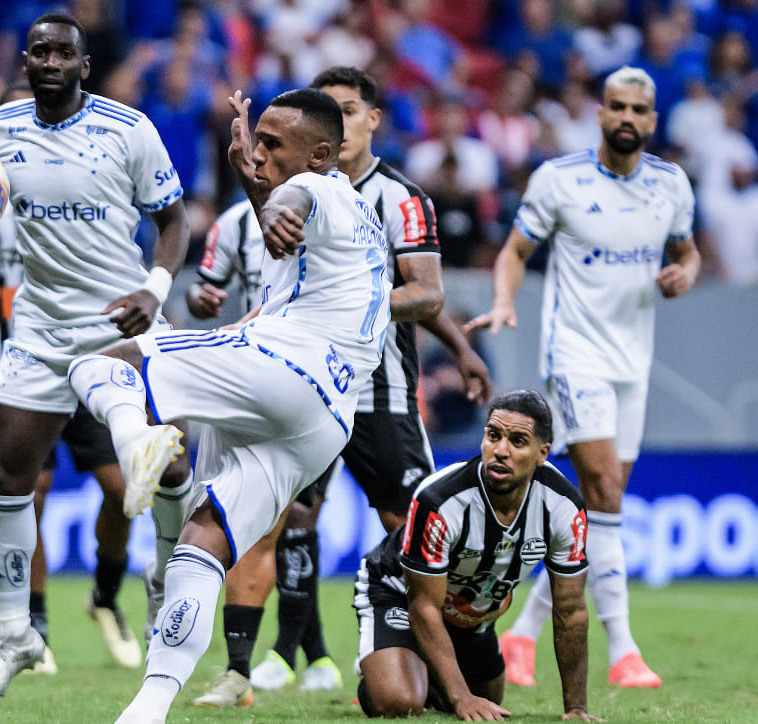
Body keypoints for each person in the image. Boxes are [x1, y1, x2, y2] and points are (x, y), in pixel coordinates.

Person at [69, 86, 392, 723]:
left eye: (275, 145)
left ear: (321, 154)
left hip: (288, 363)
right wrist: (257, 187)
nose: (260, 153)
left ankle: (143, 448)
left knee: (101, 363)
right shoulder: (357, 218)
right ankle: (148, 709)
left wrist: (274, 204)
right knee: (206, 538)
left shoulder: (319, 190)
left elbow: (295, 201)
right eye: (258, 142)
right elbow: (285, 225)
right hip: (326, 419)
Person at [187, 66, 491, 708]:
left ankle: (430, 657)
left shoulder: (401, 197)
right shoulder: (284, 191)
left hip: (377, 391)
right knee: (273, 519)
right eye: (335, 111)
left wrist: (453, 345)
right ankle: (240, 668)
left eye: (353, 110)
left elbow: (429, 293)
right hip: (299, 385)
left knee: (409, 528)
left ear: (370, 120)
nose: (346, 123)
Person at [0, 13, 191, 707]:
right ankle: (17, 635)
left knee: (171, 469)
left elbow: (174, 221)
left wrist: (155, 290)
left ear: (84, 65)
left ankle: (161, 580)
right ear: (26, 62)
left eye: (65, 52)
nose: (51, 61)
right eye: (40, 52)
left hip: (121, 323)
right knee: (7, 476)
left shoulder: (128, 129)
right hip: (37, 329)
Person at [466, 66, 701, 690]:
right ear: (600, 113)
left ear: (653, 120)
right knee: (605, 493)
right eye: (617, 106)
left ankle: (520, 636)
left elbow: (687, 249)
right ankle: (623, 649)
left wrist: (687, 272)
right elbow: (515, 250)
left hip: (634, 362)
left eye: (639, 110)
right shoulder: (559, 179)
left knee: (601, 508)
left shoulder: (671, 185)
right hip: (576, 355)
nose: (627, 118)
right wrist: (505, 298)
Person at [0, 85, 141, 675]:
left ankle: (105, 595)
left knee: (125, 490)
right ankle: (35, 625)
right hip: (25, 364)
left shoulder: (86, 191)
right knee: (31, 494)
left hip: (96, 360)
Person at [354, 390, 598, 722]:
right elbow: (423, 606)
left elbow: (571, 610)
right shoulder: (440, 499)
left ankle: (424, 670)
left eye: (517, 441)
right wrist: (460, 698)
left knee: (488, 699)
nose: (500, 450)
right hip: (398, 592)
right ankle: (385, 669)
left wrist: (576, 709)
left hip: (472, 613)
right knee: (400, 701)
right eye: (493, 436)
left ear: (542, 454)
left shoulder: (564, 507)